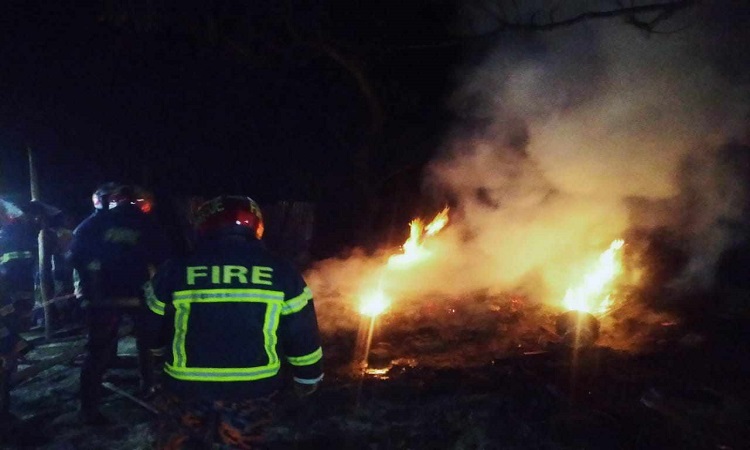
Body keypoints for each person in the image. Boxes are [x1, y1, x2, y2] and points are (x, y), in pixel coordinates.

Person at [142, 195, 323, 449]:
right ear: (256, 226)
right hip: (254, 389)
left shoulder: (175, 269)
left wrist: (157, 351)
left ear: (203, 226)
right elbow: (302, 332)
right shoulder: (282, 271)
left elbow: (150, 323)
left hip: (186, 388)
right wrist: (308, 377)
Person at [68, 184, 170, 424]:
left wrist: (88, 291)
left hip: (101, 298)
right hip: (138, 294)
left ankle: (88, 408)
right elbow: (163, 260)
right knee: (145, 341)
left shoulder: (91, 225)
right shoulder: (147, 224)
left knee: (97, 350)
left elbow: (74, 258)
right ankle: (148, 385)